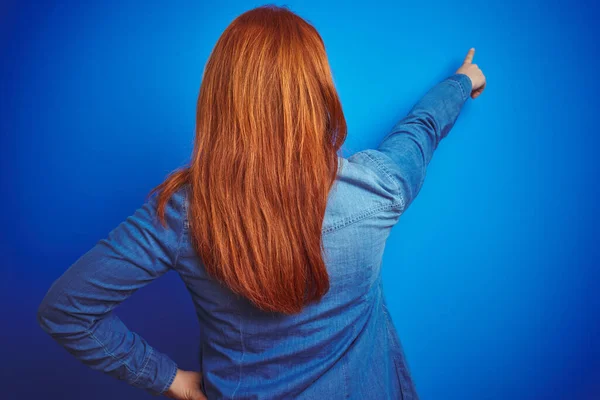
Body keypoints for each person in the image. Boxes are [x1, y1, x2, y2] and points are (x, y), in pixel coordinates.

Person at [36, 4, 486, 400]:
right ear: (318, 95)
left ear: (221, 97)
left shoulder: (182, 214)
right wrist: (462, 82)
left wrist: (170, 379)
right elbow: (418, 132)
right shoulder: (377, 187)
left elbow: (66, 310)